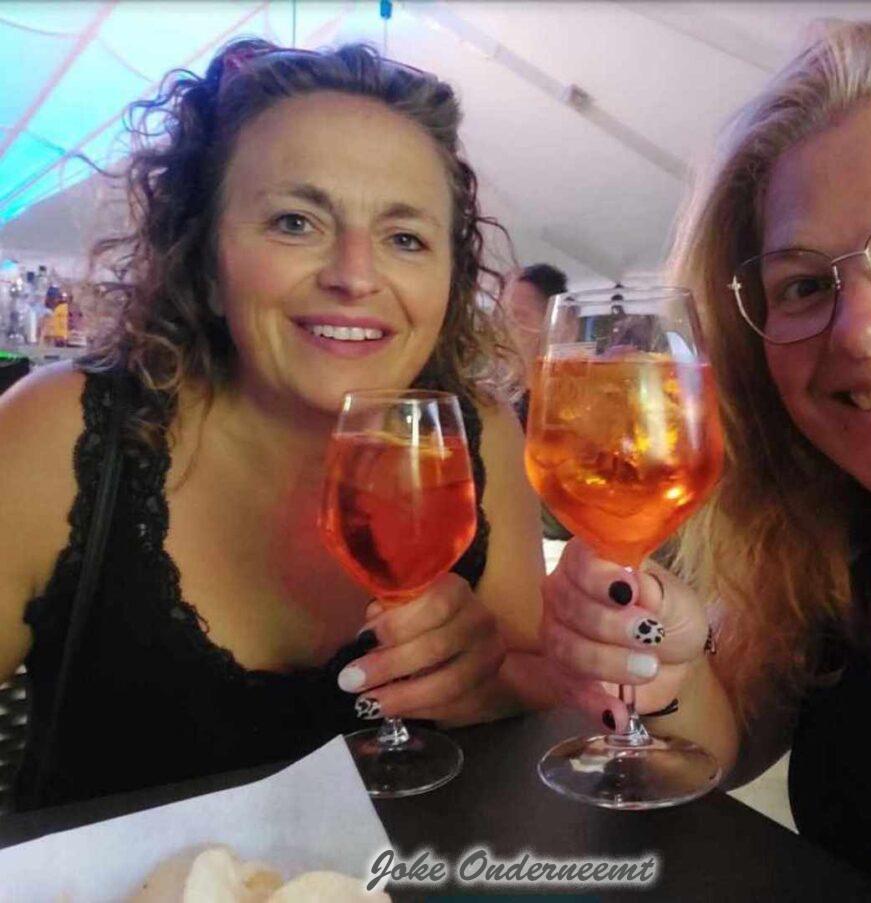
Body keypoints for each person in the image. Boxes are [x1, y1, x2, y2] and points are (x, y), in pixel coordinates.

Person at [539, 3, 871, 899]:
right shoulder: (843, 530)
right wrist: (669, 661)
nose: (862, 328)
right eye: (803, 284)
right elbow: (721, 748)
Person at [0, 39, 551, 811]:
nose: (355, 275)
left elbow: (528, 703)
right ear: (204, 261)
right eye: (296, 222)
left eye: (405, 238)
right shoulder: (55, 435)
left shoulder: (475, 437)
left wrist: (491, 685)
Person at [503, 262, 568, 427]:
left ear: (561, 325)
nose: (504, 330)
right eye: (502, 317)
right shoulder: (497, 403)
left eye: (518, 317)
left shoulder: (575, 408)